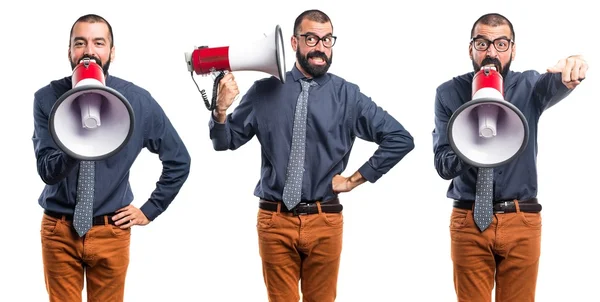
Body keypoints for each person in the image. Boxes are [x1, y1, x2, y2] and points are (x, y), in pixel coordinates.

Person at [209, 9, 414, 302]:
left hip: (325, 222)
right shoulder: (263, 91)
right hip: (274, 221)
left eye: (327, 39)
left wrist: (355, 180)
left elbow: (399, 138)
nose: (320, 47)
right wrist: (220, 111)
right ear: (294, 42)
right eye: (311, 39)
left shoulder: (348, 95)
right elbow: (225, 142)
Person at [32, 14, 191, 301]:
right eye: (80, 43)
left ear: (111, 52)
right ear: (70, 51)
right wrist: (74, 138)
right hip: (59, 232)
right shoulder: (46, 98)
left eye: (99, 43)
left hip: (111, 232)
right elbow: (47, 171)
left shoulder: (138, 101)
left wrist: (150, 209)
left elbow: (179, 160)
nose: (89, 51)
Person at [432, 13, 588, 302]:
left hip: (522, 220)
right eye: (482, 43)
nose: (491, 52)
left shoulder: (530, 86)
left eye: (501, 44)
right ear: (471, 49)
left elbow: (567, 78)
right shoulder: (448, 93)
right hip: (468, 221)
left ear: (513, 49)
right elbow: (443, 165)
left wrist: (576, 62)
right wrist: (471, 140)